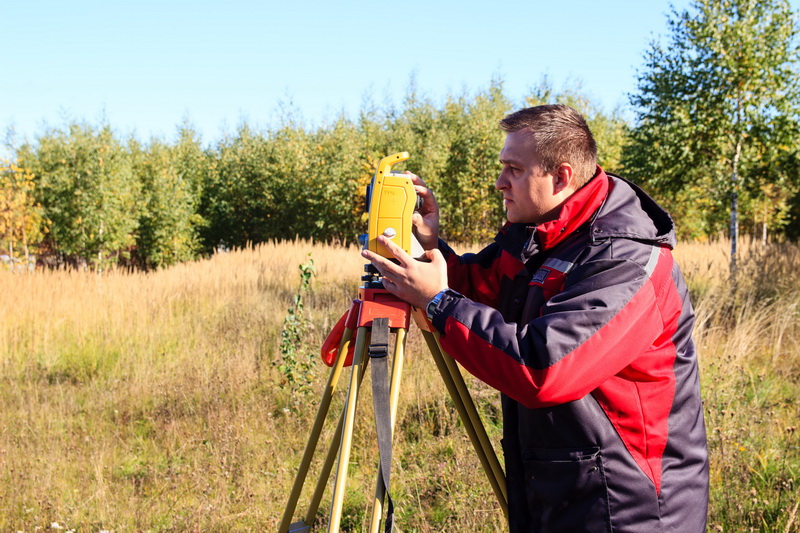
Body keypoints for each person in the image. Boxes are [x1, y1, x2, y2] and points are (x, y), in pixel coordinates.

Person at [361, 104, 709, 532]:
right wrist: (430, 247)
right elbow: (485, 286)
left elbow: (543, 369)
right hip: (562, 490)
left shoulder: (626, 260)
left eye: (514, 169)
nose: (499, 182)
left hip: (627, 508)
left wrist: (437, 302)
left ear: (561, 177)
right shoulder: (544, 232)